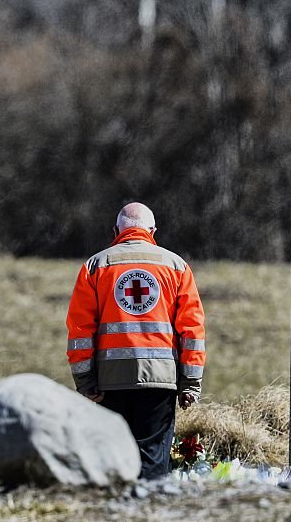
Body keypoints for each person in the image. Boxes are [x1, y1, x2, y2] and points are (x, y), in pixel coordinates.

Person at [66, 202, 206, 479]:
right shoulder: (176, 266)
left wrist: (85, 382)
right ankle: (149, 514)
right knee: (152, 459)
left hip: (109, 383)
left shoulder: (95, 267)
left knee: (114, 458)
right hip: (160, 381)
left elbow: (80, 330)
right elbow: (192, 330)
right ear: (153, 231)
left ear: (115, 230)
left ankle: (115, 515)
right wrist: (190, 383)